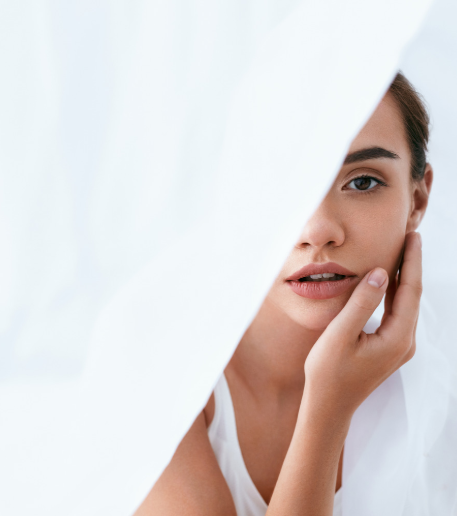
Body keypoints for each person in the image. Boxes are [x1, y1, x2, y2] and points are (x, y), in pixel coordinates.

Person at [134, 72, 435, 516]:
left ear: (418, 200)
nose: (318, 231)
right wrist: (327, 411)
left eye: (363, 182)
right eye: (277, 184)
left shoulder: (442, 413)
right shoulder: (152, 373)